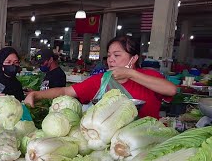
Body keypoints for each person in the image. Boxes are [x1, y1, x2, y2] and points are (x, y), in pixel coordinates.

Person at [25, 35, 177, 119]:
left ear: (134, 58)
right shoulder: (102, 80)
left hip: (146, 141)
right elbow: (65, 92)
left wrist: (130, 73)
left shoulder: (149, 77)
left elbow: (171, 90)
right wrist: (37, 94)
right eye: (109, 55)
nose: (111, 59)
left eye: (117, 55)